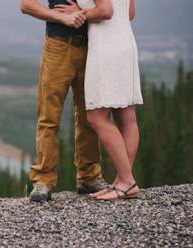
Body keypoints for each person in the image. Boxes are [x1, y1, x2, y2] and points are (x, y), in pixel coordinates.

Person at [20, 0, 109, 202]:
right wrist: (62, 17)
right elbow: (26, 5)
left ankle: (89, 177)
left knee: (90, 115)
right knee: (48, 116)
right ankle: (43, 180)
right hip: (58, 46)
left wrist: (82, 13)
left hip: (93, 47)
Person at [55, 0, 143, 200]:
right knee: (126, 117)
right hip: (125, 42)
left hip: (107, 48)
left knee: (96, 117)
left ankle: (127, 181)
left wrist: (79, 13)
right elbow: (129, 13)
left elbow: (105, 11)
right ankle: (123, 181)